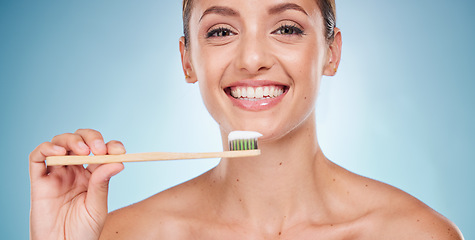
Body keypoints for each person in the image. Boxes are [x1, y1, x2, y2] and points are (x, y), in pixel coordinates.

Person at [29, 0, 464, 239]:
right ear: (187, 61)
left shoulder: (415, 234)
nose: (253, 59)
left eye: (287, 27)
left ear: (332, 52)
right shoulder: (126, 235)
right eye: (221, 31)